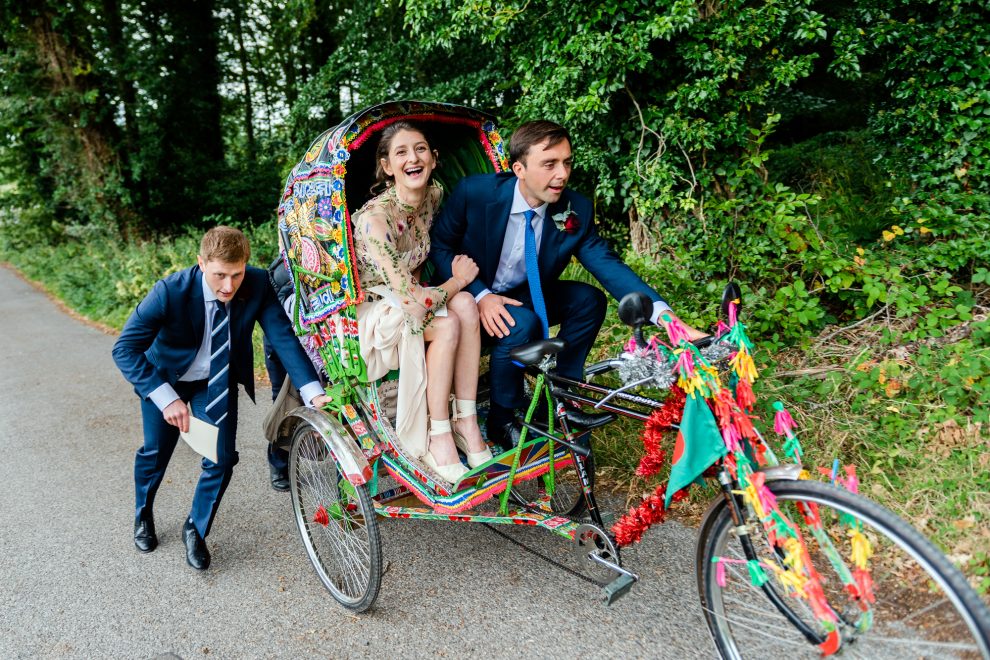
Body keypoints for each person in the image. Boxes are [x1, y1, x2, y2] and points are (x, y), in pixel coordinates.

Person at [430, 120, 706, 449]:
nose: (562, 174)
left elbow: (609, 266)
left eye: (567, 162)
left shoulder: (575, 209)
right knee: (522, 324)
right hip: (466, 298)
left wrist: (671, 324)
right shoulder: (474, 193)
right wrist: (481, 295)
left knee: (589, 300)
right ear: (519, 168)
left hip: (522, 294)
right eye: (549, 164)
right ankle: (502, 418)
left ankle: (562, 393)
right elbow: (440, 246)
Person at [112, 226, 330, 570]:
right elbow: (124, 349)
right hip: (166, 381)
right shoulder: (169, 291)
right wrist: (166, 399)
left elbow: (283, 338)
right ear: (201, 264)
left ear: (246, 265)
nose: (228, 286)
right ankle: (142, 514)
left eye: (236, 274)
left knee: (222, 458)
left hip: (215, 381)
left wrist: (312, 391)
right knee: (156, 453)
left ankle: (195, 529)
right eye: (219, 276)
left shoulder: (257, 284)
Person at [351, 121, 492, 483]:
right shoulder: (374, 220)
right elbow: (412, 299)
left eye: (420, 149)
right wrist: (458, 279)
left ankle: (466, 420)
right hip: (374, 308)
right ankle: (438, 435)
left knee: (464, 306)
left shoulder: (434, 196)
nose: (412, 158)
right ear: (386, 166)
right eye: (400, 152)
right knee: (447, 322)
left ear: (433, 158)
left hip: (410, 299)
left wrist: (461, 288)